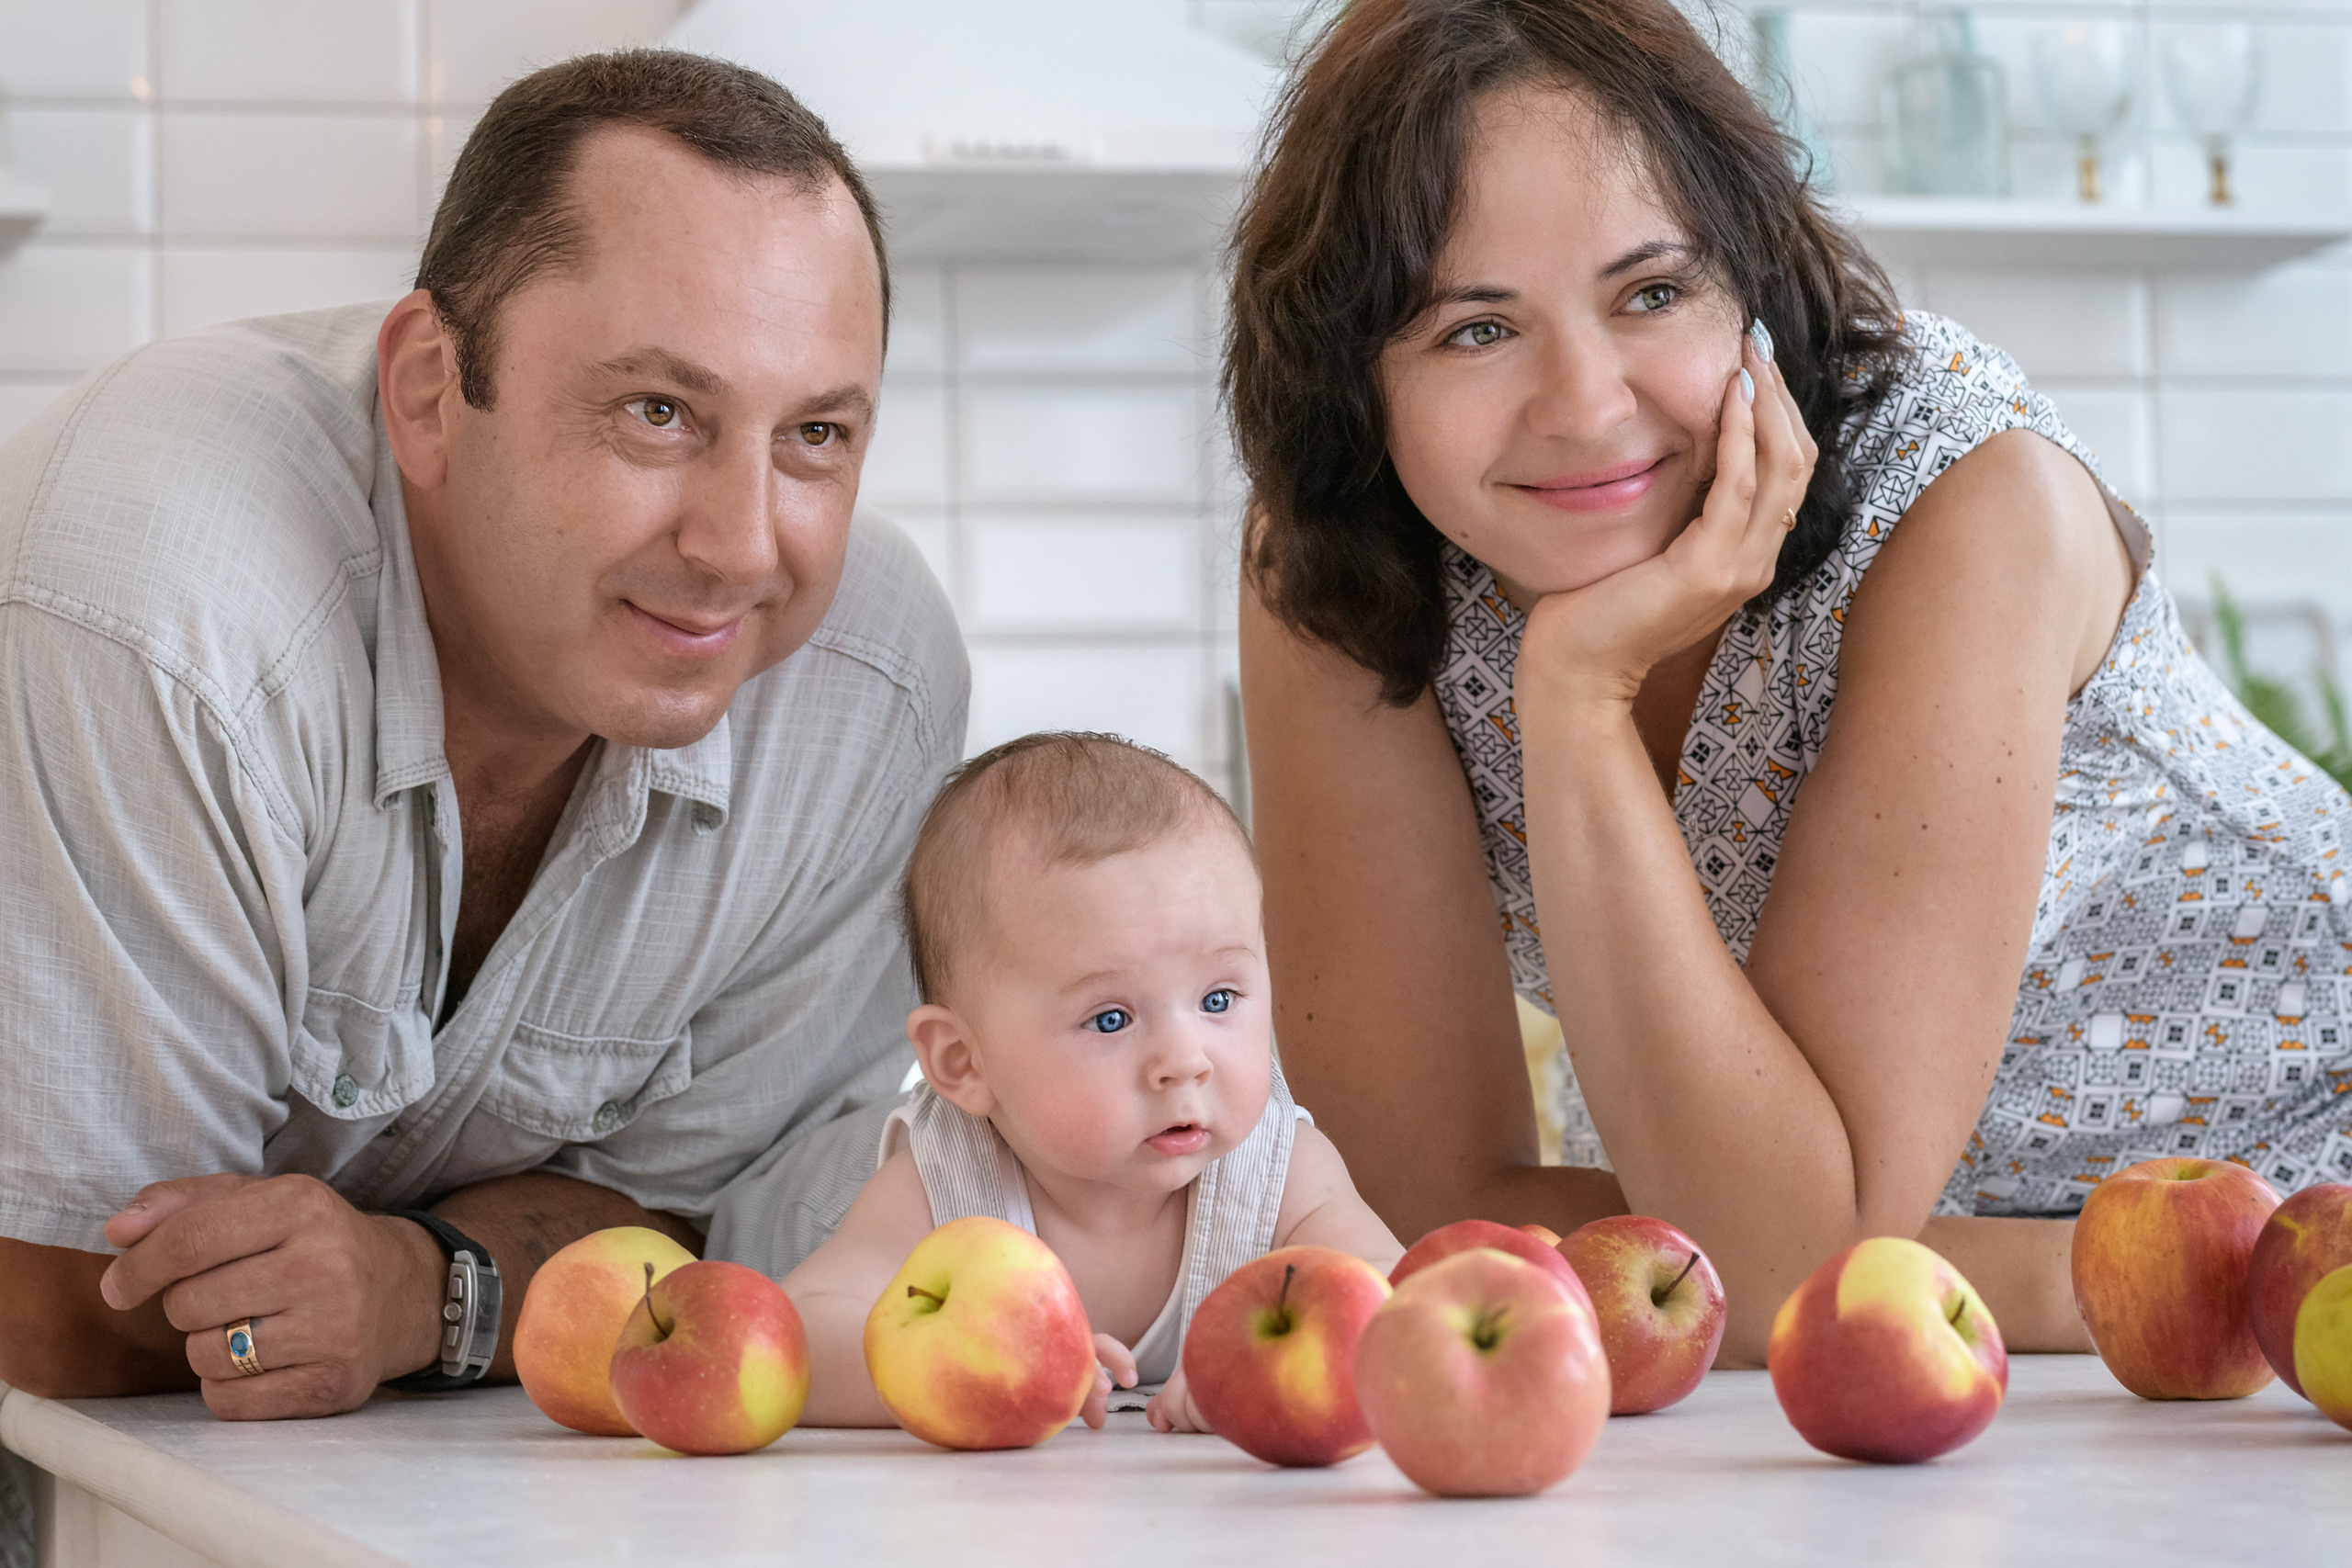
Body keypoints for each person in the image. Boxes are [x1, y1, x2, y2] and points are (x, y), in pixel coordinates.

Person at [1228, 0, 2352, 1364]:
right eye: (1475, 329)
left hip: (2291, 1257)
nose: (1587, 405)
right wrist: (1580, 683)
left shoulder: (1962, 502)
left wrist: (1574, 695)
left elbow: (1771, 1269)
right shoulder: (1344, 552)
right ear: (1352, 377)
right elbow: (1420, 1197)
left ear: (1754, 286)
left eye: (1652, 293)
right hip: (1976, 1324)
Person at [0, 51, 964, 1422]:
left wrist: (418, 1287)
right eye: (657, 413)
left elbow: (723, 1243)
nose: (742, 547)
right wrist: (515, 1271)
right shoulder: (162, 606)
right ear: (428, 391)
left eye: (815, 433)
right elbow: (63, 1305)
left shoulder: (872, 691)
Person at [781, 733, 1401, 1431]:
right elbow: (801, 1337)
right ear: (964, 1062)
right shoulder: (943, 1185)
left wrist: (1260, 1368)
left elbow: (1392, 1297)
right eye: (1111, 1019)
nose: (1184, 1060)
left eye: (1218, 999)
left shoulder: (1279, 1172)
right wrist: (978, 1366)